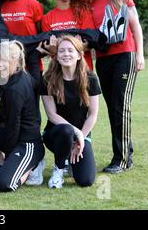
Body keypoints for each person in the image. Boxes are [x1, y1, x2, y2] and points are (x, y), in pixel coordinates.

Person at [88, 0, 145, 173]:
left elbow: (135, 25)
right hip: (103, 60)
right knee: (113, 108)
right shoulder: (90, 3)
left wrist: (140, 54)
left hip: (125, 56)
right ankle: (126, 153)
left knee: (121, 106)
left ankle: (120, 160)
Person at [0, 41, 45, 191]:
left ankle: (33, 166)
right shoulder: (13, 76)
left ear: (14, 60)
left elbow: (13, 125)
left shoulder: (16, 88)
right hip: (13, 135)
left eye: (2, 60)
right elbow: (37, 79)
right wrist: (35, 55)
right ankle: (2, 164)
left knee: (5, 184)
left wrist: (12, 154)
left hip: (28, 144)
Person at [40, 36, 100, 188]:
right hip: (56, 134)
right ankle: (59, 168)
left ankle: (71, 162)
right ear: (56, 56)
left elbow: (93, 114)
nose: (66, 54)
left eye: (70, 50)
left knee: (86, 180)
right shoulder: (48, 79)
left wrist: (81, 137)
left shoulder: (90, 78)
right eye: (61, 51)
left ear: (79, 55)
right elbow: (52, 115)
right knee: (66, 130)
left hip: (82, 135)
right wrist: (76, 133)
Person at [41, 0, 95, 70]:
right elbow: (49, 47)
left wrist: (84, 46)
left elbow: (90, 42)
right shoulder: (47, 18)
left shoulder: (82, 13)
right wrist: (52, 50)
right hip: (59, 72)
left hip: (83, 70)